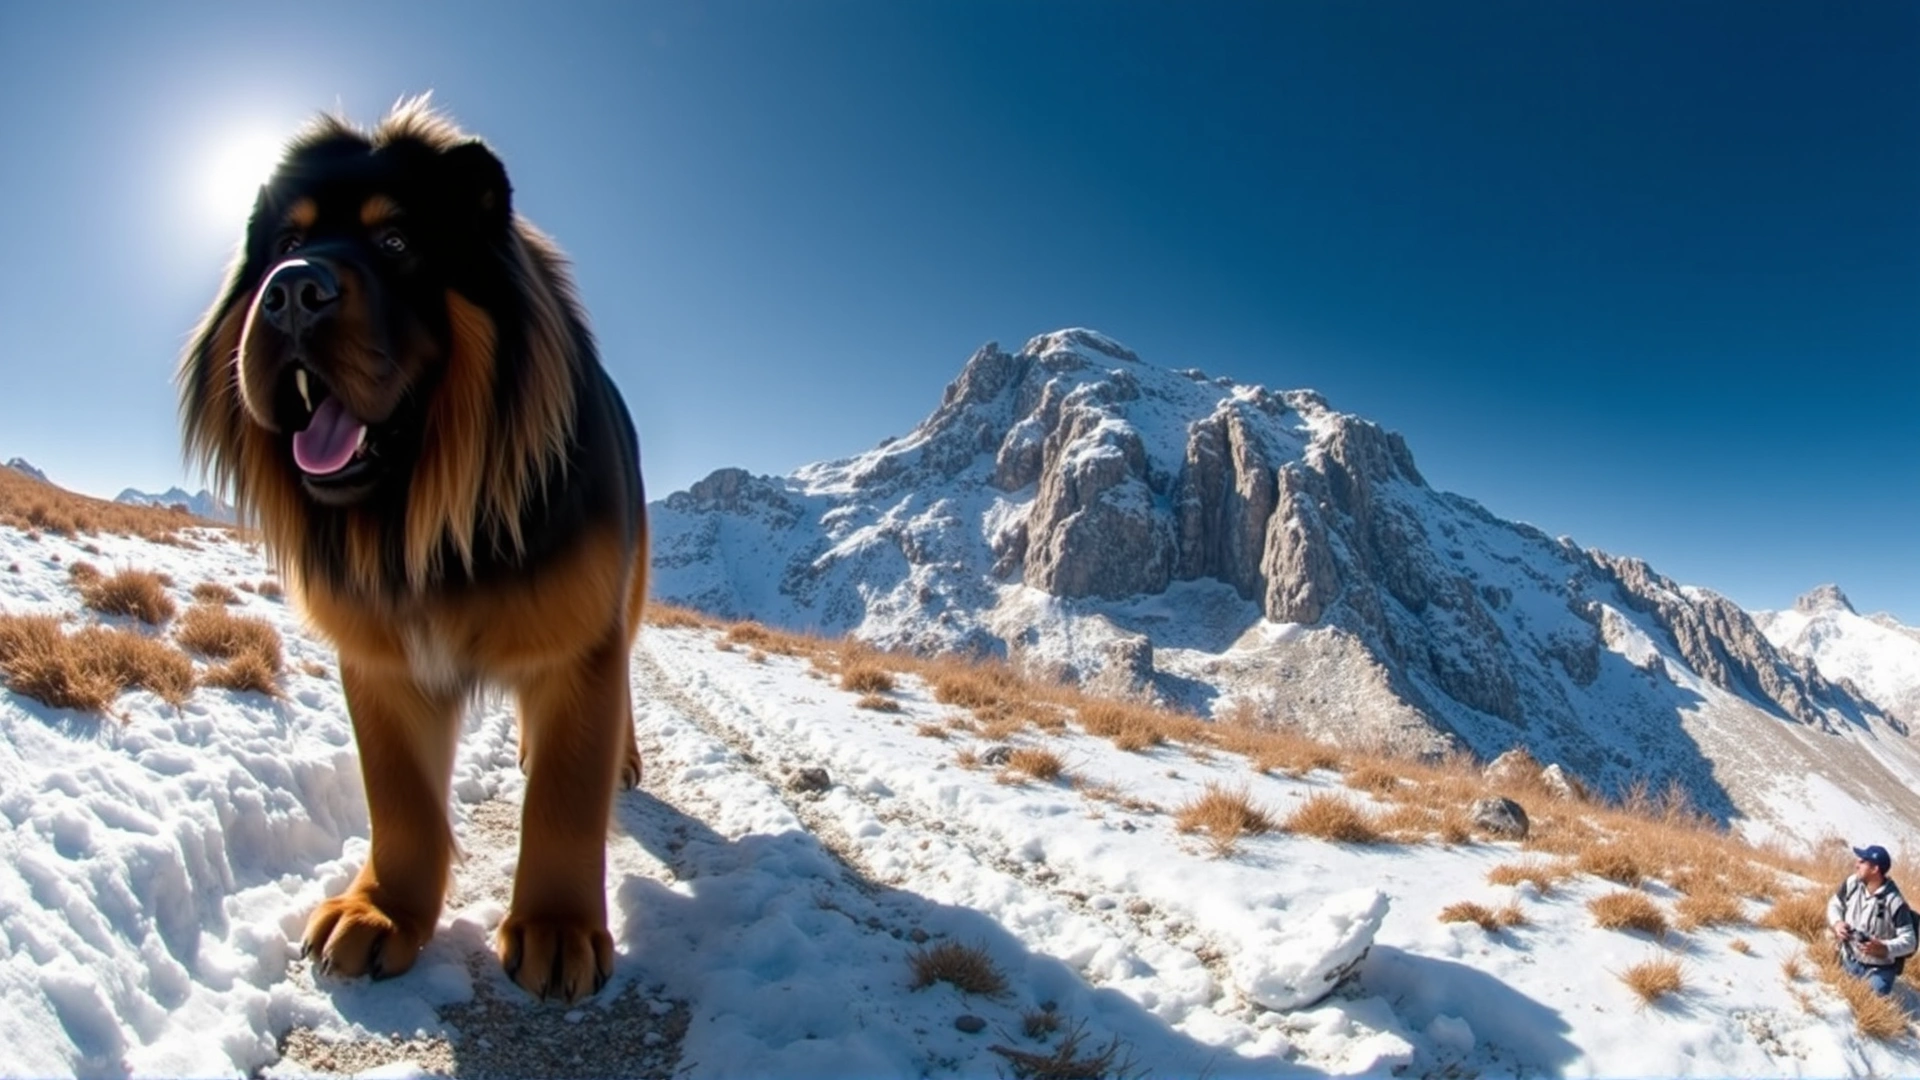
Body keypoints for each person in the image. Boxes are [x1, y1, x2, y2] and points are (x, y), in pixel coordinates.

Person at [1827, 844, 1917, 996]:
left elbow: (1910, 942)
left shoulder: (1895, 902)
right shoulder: (1852, 883)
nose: (1857, 864)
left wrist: (1885, 948)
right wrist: (1837, 923)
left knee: (1872, 997)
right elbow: (1835, 904)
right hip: (1848, 958)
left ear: (1875, 869)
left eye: (1862, 862)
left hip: (1878, 969)